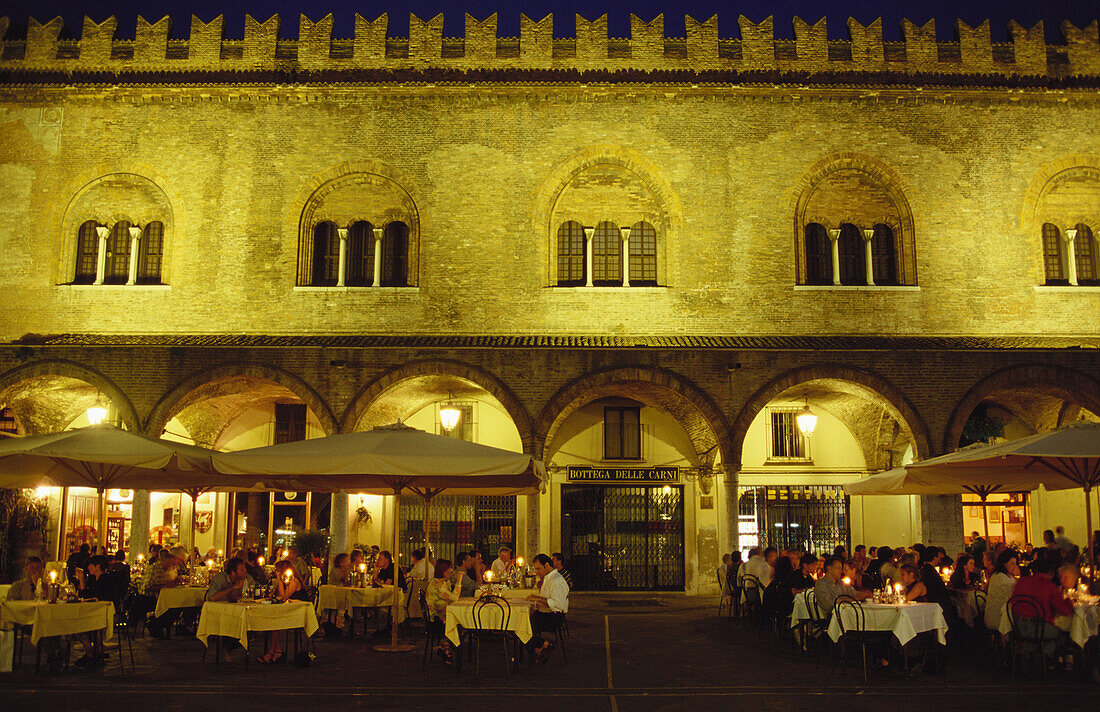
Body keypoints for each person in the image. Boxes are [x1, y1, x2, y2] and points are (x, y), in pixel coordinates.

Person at [1010, 556, 1072, 655]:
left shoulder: (1022, 581)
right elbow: (1064, 610)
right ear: (1052, 572)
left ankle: (1030, 652)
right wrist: (1069, 601)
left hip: (1019, 627)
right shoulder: (1049, 586)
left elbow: (1013, 601)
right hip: (1039, 627)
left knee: (1036, 639)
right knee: (1062, 634)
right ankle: (1044, 657)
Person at [256, 561, 306, 664]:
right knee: (269, 622)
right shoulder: (285, 582)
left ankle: (271, 652)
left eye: (278, 570)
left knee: (275, 623)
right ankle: (277, 650)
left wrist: (279, 580)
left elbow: (284, 597)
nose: (276, 572)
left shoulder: (293, 581)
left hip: (298, 612)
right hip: (288, 610)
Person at [526, 554, 568, 664]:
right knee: (523, 620)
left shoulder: (556, 580)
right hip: (545, 613)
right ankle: (539, 648)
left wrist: (538, 598)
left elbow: (558, 604)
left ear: (547, 565)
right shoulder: (548, 578)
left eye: (539, 568)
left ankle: (542, 645)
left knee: (524, 625)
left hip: (553, 617)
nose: (537, 572)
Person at [425, 559, 460, 664]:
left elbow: (452, 598)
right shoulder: (437, 584)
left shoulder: (445, 583)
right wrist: (459, 581)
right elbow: (454, 598)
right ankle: (446, 647)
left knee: (454, 620)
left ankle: (445, 646)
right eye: (449, 568)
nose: (451, 571)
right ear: (443, 570)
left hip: (441, 616)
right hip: (435, 620)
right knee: (455, 622)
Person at [983, 549, 1020, 631]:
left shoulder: (1009, 577)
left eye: (1015, 563)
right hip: (996, 616)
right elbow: (1014, 590)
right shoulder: (999, 577)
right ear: (1004, 563)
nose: (1014, 566)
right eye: (1012, 563)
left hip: (1004, 614)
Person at [372, 550, 406, 637]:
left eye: (380, 558)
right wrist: (376, 570)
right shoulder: (383, 570)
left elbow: (387, 584)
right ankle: (383, 627)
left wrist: (378, 582)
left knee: (382, 607)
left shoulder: (393, 568)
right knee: (373, 604)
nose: (378, 561)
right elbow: (375, 582)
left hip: (397, 595)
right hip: (387, 594)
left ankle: (382, 629)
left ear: (387, 560)